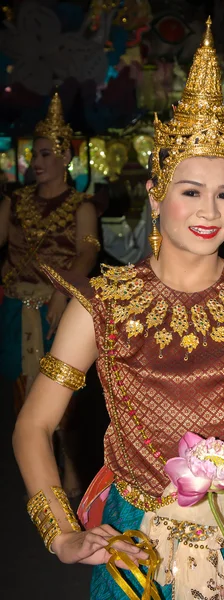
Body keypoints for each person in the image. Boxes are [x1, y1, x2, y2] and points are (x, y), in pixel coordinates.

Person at [13, 20, 224, 600]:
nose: (210, 210)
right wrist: (60, 530)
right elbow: (34, 424)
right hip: (134, 541)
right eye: (190, 190)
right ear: (157, 195)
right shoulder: (103, 304)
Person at [0, 92, 101, 494]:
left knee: (65, 388)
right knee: (22, 388)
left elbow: (87, 254)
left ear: (65, 159)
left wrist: (63, 292)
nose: (36, 163)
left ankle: (72, 462)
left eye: (44, 155)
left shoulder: (82, 206)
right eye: (33, 156)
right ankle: (38, 474)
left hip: (57, 308)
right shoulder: (14, 202)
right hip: (14, 307)